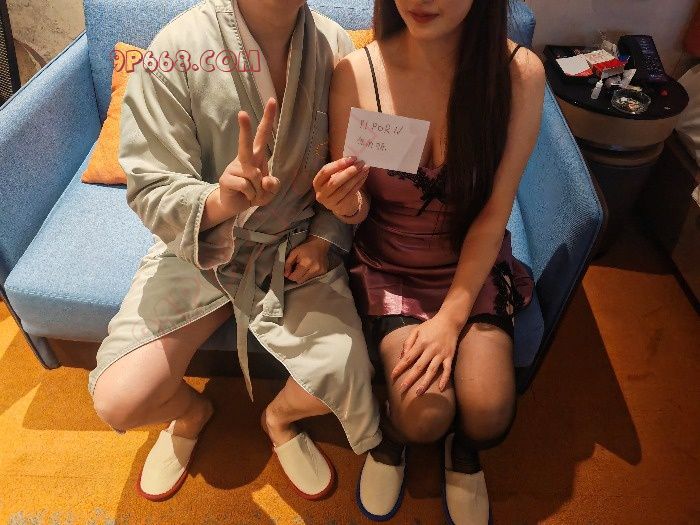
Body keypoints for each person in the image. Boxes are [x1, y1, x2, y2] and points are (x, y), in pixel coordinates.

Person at [88, 0, 381, 502]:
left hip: (291, 248)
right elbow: (150, 186)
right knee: (120, 398)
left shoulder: (335, 47)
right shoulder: (176, 50)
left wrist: (326, 235)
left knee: (347, 374)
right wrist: (221, 200)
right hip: (199, 249)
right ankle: (191, 412)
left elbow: (351, 170)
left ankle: (279, 417)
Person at [313, 0, 545, 522]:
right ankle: (392, 437)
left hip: (471, 262)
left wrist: (450, 321)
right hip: (390, 266)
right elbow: (358, 206)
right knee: (423, 415)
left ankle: (463, 450)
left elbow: (494, 212)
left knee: (489, 413)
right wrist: (343, 204)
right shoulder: (357, 72)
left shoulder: (517, 75)